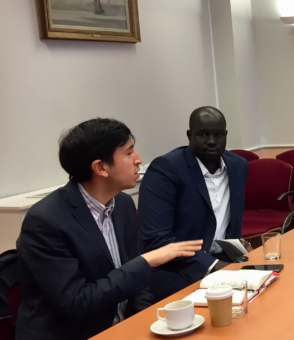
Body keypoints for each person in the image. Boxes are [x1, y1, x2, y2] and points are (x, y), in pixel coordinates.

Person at [15, 118, 202, 339]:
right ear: (100, 167)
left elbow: (137, 282)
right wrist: (147, 261)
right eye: (129, 152)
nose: (139, 160)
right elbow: (77, 303)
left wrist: (147, 322)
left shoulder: (122, 204)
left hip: (121, 328)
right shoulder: (46, 221)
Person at [139, 106, 248, 300]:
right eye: (203, 134)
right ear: (189, 135)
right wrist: (213, 266)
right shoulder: (166, 169)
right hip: (177, 271)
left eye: (218, 134)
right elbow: (156, 239)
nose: (212, 141)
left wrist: (237, 253)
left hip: (224, 263)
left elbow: (231, 222)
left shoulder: (238, 166)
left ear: (226, 134)